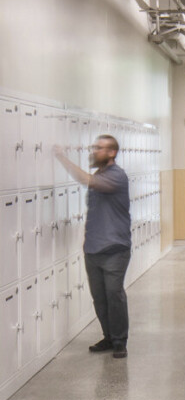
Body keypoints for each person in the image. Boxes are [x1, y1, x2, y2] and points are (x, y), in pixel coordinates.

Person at [54, 134, 131, 360]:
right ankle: (108, 336)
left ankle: (119, 342)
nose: (94, 150)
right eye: (95, 146)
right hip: (94, 249)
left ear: (112, 153)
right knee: (100, 298)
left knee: (114, 296)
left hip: (115, 249)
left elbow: (85, 180)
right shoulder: (100, 173)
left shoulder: (117, 176)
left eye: (100, 148)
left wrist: (61, 157)